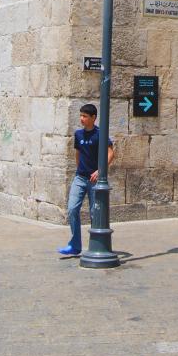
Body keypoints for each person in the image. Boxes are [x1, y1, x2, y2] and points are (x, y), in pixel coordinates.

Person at [57, 103, 114, 258]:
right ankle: (75, 245)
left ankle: (96, 246)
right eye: (81, 116)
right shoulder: (78, 135)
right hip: (80, 178)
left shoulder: (100, 134)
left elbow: (110, 153)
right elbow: (78, 154)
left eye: (85, 116)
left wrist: (99, 171)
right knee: (72, 209)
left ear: (93, 118)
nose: (82, 119)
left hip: (95, 180)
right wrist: (79, 171)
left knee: (95, 214)